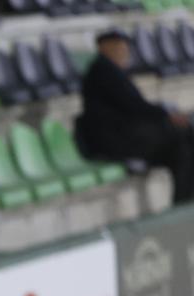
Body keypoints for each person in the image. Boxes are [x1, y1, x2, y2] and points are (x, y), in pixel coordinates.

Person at [77, 28, 194, 204]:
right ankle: (183, 202)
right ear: (105, 47)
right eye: (120, 48)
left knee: (182, 144)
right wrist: (167, 115)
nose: (125, 52)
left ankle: (185, 200)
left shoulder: (110, 70)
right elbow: (134, 106)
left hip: (122, 134)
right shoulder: (103, 71)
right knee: (180, 141)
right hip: (113, 140)